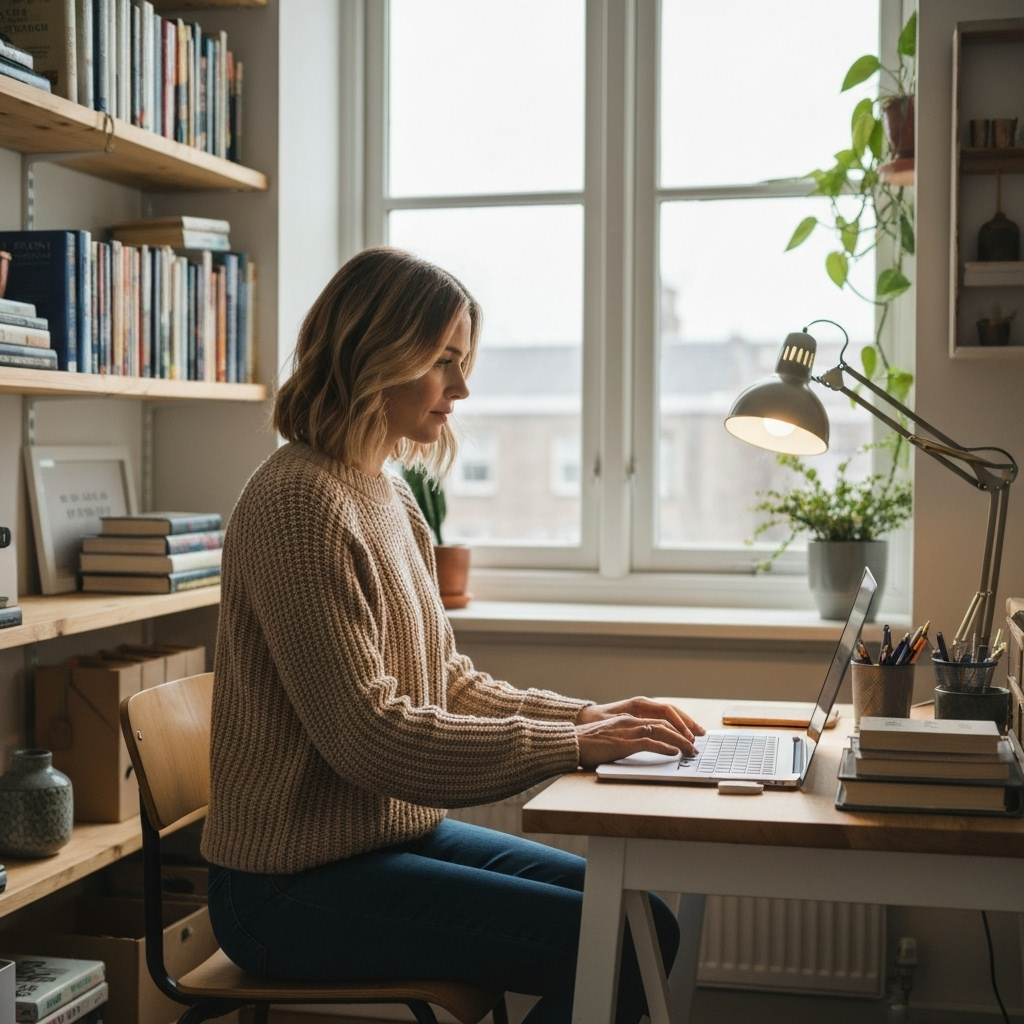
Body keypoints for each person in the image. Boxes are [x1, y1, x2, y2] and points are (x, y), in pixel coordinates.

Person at [202, 247, 705, 1024]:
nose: (461, 389)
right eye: (443, 361)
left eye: (461, 361)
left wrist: (587, 720)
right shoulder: (298, 504)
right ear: (375, 353)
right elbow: (370, 737)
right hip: (283, 890)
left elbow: (448, 681)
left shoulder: (389, 494)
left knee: (643, 921)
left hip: (380, 846)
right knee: (615, 942)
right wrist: (570, 748)